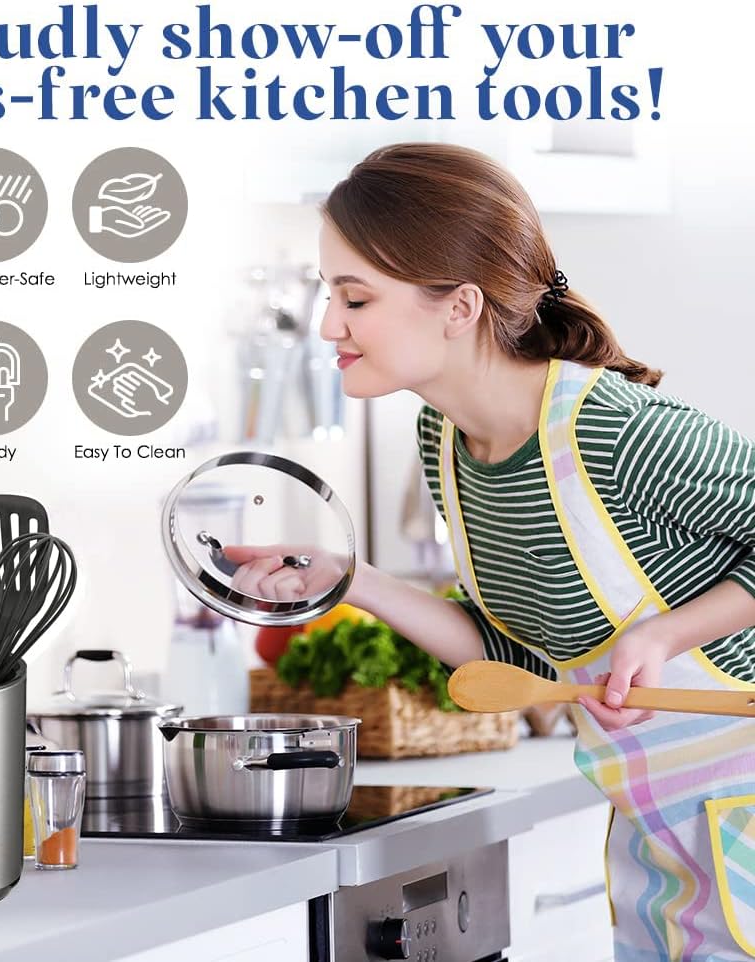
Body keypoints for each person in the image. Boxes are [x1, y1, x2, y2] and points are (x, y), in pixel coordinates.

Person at [229, 143, 755, 962]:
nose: (331, 325)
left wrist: (664, 635)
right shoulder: (446, 443)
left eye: (355, 298)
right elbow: (512, 657)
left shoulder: (611, 430)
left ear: (460, 306)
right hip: (659, 839)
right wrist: (349, 579)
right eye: (331, 296)